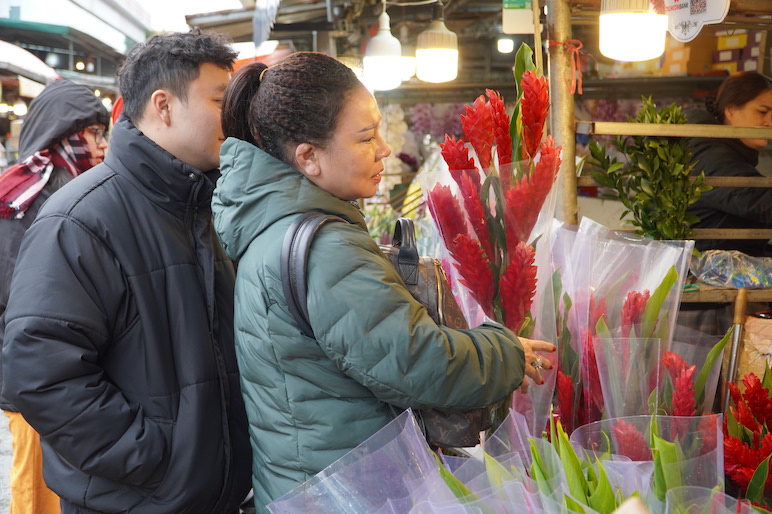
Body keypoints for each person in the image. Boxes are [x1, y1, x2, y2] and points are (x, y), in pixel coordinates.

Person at [211, 52, 555, 511]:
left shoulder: (275, 228)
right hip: (344, 492)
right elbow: (419, 363)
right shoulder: (325, 250)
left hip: (313, 482)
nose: (384, 149)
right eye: (366, 137)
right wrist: (506, 351)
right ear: (309, 157)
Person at [2, 29, 252, 513]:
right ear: (164, 105)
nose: (233, 118)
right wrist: (158, 459)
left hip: (214, 494)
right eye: (220, 99)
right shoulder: (79, 219)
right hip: (137, 498)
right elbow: (40, 374)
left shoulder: (206, 205)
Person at [0, 78, 109, 514]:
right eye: (94, 133)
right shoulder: (24, 200)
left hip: (63, 374)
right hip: (33, 378)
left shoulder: (63, 190)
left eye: (104, 133)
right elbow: (16, 297)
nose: (103, 144)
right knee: (39, 487)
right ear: (68, 136)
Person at [686, 70, 772, 257]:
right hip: (707, 272)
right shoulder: (709, 153)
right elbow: (756, 200)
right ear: (731, 110)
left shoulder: (727, 150)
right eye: (762, 111)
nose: (770, 121)